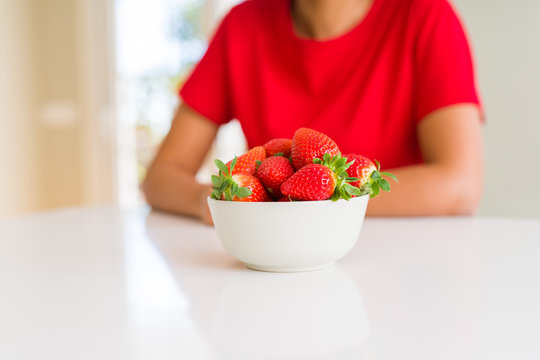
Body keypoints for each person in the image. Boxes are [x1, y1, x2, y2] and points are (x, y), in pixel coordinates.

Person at [142, 0, 484, 223]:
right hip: (276, 267)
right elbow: (160, 177)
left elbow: (460, 184)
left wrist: (304, 206)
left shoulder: (426, 16)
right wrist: (221, 201)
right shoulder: (241, 25)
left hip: (402, 266)